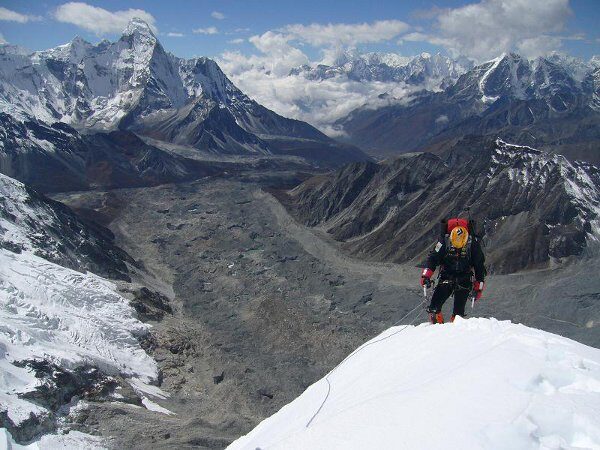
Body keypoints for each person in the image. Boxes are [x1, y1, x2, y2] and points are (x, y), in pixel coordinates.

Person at [420, 218, 486, 324]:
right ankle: (436, 327)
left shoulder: (472, 244)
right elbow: (433, 258)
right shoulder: (443, 243)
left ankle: (455, 332)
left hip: (464, 278)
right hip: (447, 276)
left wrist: (479, 286)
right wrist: (426, 275)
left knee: (458, 314)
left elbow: (479, 266)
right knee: (434, 308)